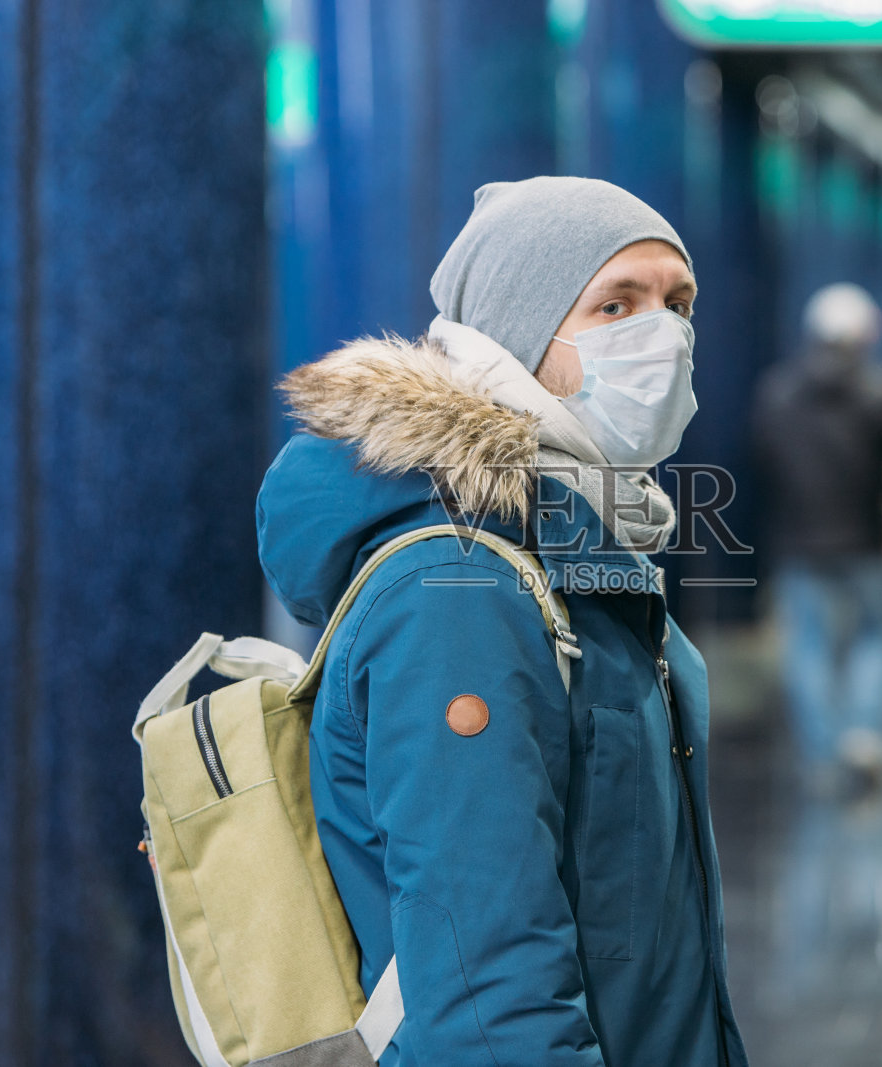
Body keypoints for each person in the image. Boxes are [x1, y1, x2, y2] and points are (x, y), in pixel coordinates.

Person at [256, 177, 748, 1066]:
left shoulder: (577, 548)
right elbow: (487, 994)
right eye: (616, 303)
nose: (665, 334)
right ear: (518, 335)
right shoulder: (462, 589)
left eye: (679, 303)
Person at [752, 284, 882, 795]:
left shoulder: (776, 392)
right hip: (868, 539)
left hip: (799, 539)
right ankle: (862, 734)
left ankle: (821, 755)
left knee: (809, 646)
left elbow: (762, 466)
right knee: (874, 636)